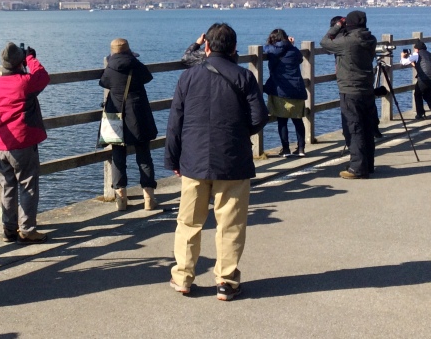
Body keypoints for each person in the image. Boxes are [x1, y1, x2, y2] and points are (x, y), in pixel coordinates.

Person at [165, 23, 268, 301]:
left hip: (193, 159)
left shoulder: (188, 77)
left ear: (207, 46)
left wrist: (172, 157)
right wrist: (237, 132)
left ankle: (183, 277)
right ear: (234, 48)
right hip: (232, 159)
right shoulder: (244, 76)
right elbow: (259, 117)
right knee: (230, 223)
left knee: (188, 222)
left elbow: (175, 122)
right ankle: (226, 281)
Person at [0, 42, 50, 244]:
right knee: (28, 185)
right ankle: (27, 230)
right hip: (23, 142)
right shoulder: (25, 82)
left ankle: (9, 228)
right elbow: (42, 76)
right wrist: (31, 58)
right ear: (19, 63)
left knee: (7, 186)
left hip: (2, 143)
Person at [99, 38, 159, 210]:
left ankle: (121, 200)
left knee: (118, 155)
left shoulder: (110, 68)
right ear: (128, 50)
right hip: (137, 115)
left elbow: (103, 83)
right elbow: (148, 77)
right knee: (144, 155)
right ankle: (149, 198)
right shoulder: (136, 65)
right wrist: (134, 59)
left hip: (116, 115)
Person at [320, 10, 377, 179]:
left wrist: (337, 26)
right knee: (367, 128)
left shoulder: (347, 42)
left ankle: (357, 169)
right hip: (367, 87)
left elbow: (325, 42)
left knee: (353, 128)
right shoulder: (370, 39)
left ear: (349, 24)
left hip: (350, 89)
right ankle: (368, 164)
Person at [262, 29, 307, 157]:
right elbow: (300, 59)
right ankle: (301, 149)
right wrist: (291, 45)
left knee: (282, 121)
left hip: (281, 90)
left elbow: (264, 49)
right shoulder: (294, 50)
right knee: (298, 120)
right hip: (297, 90)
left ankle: (286, 149)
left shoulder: (272, 51)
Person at [400, 40, 431, 119]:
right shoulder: (429, 54)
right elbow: (425, 66)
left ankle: (420, 114)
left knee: (417, 94)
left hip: (424, 79)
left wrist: (402, 56)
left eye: (414, 49)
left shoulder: (416, 55)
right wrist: (415, 65)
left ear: (417, 49)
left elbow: (404, 62)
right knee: (427, 95)